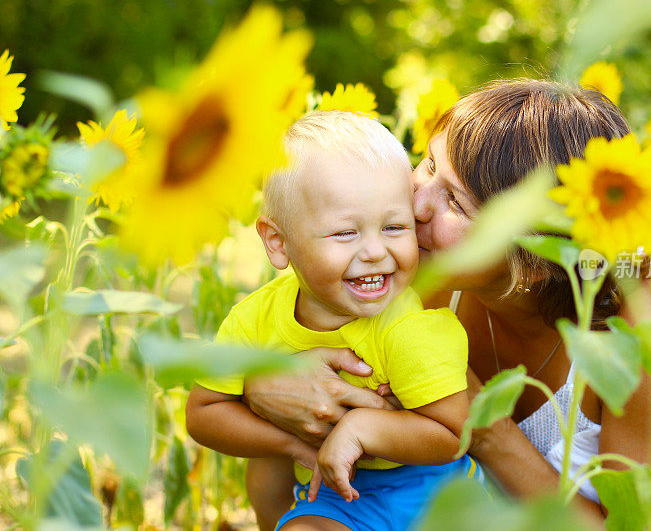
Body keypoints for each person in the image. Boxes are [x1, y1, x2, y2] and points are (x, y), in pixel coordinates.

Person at [242, 80, 651, 530]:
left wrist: (480, 426)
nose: (415, 204)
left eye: (456, 203)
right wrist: (269, 378)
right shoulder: (424, 268)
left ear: (541, 253)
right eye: (430, 164)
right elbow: (312, 344)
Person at [185, 110, 483, 531]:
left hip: (438, 497)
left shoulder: (411, 327)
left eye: (395, 227)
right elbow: (203, 413)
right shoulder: (254, 320)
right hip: (336, 498)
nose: (376, 251)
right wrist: (291, 440)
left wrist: (362, 429)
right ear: (278, 242)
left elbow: (453, 435)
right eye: (346, 233)